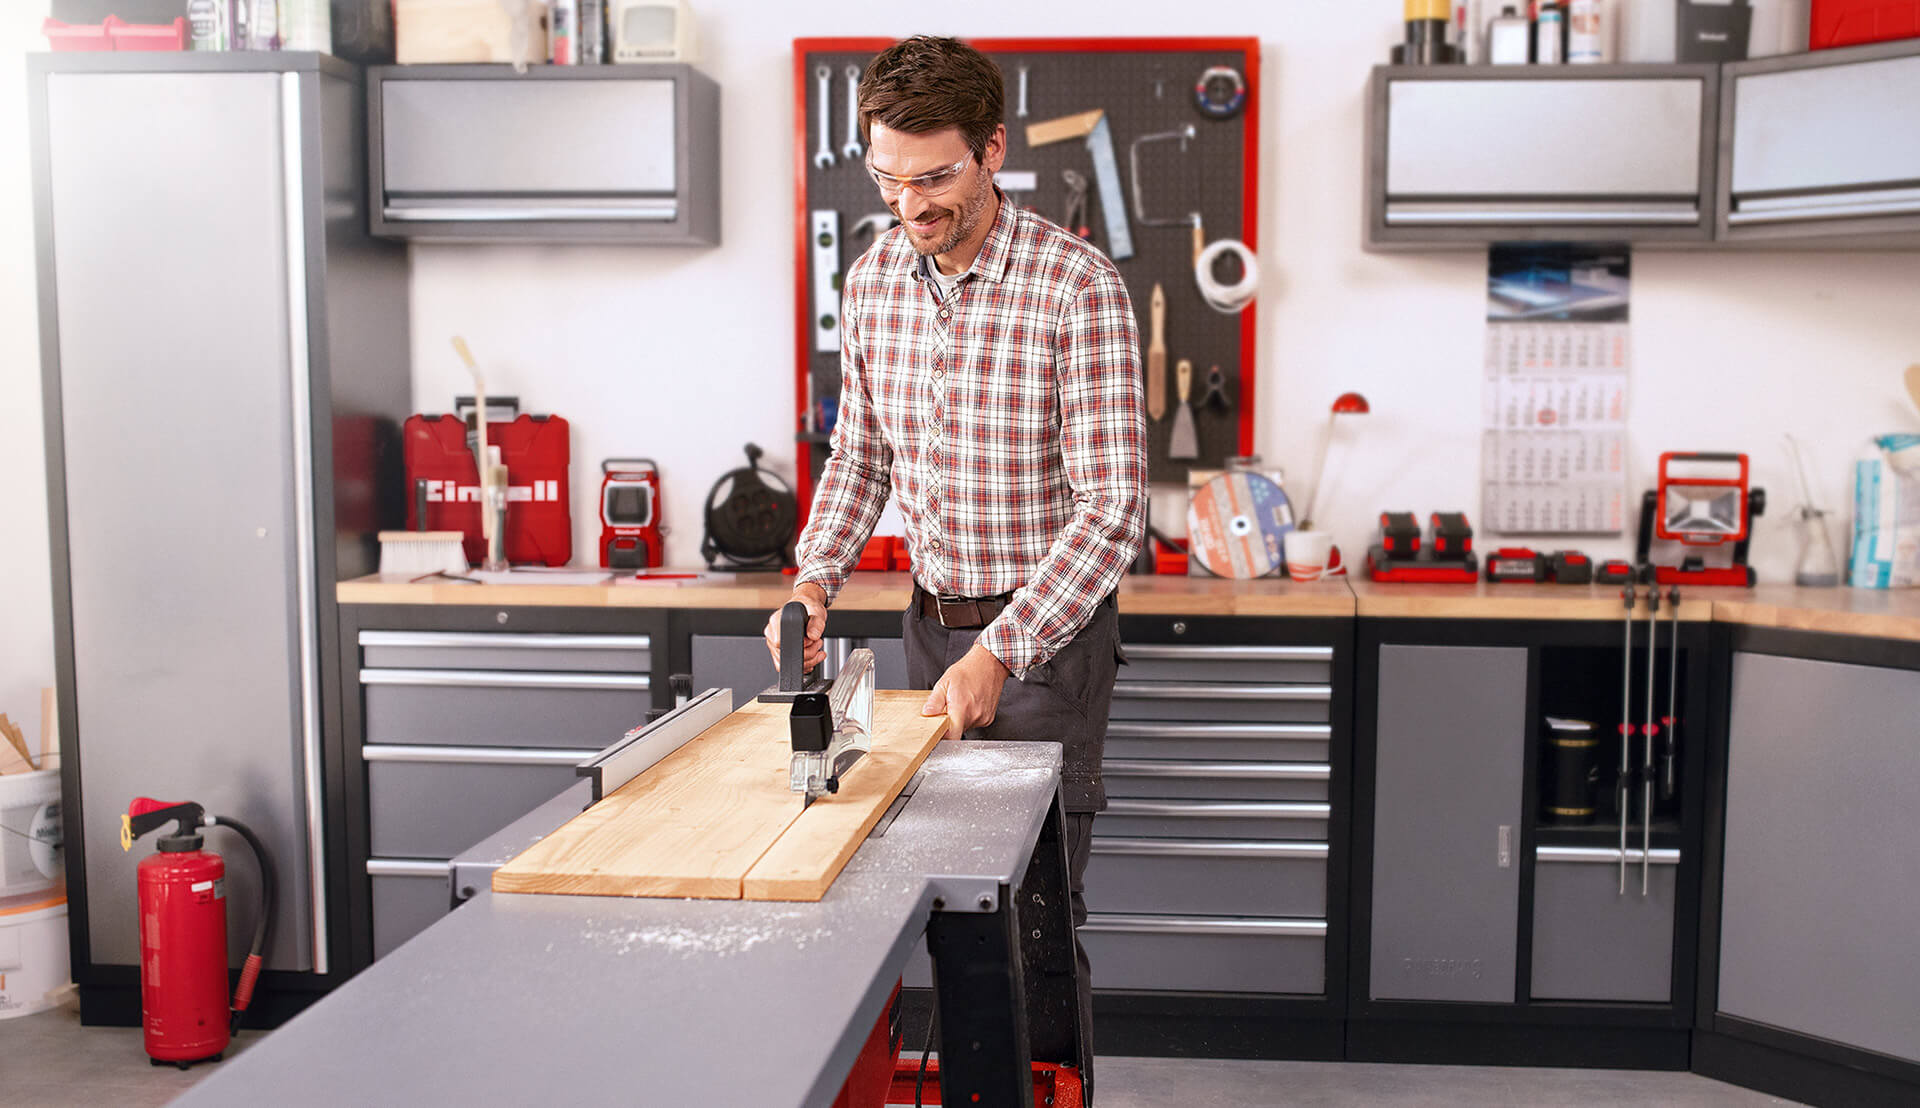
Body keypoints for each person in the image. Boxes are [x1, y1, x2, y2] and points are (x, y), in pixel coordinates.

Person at [763, 34, 1147, 1099]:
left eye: (934, 178)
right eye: (890, 178)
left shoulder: (1079, 287)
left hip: (1045, 646)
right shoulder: (877, 277)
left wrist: (1003, 651)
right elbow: (864, 453)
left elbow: (1115, 510)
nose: (912, 205)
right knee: (932, 899)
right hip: (929, 630)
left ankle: (1048, 1092)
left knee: (1029, 912)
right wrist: (814, 575)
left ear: (992, 150)